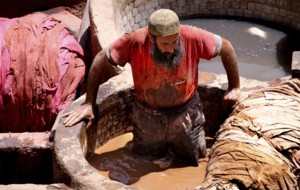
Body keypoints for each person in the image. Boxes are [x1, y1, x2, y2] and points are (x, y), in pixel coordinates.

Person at [63, 8, 240, 166]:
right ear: (152, 38)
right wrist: (89, 103)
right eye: (165, 44)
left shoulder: (191, 37)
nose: (171, 49)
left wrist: (234, 86)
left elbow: (226, 47)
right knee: (142, 160)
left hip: (186, 113)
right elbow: (102, 58)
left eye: (174, 42)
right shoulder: (135, 41)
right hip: (147, 115)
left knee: (194, 158)